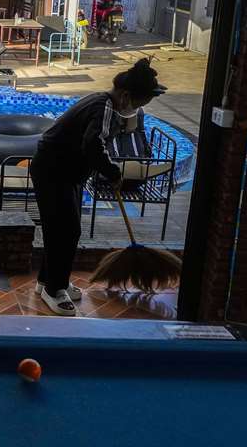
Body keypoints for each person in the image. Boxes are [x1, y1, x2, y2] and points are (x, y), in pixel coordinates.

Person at [31, 58, 166, 315]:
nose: (138, 109)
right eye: (139, 103)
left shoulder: (103, 104)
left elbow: (97, 143)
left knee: (63, 229)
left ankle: (47, 281)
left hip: (65, 173)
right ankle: (53, 289)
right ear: (126, 96)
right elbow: (93, 144)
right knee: (65, 230)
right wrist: (113, 172)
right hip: (52, 172)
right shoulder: (102, 107)